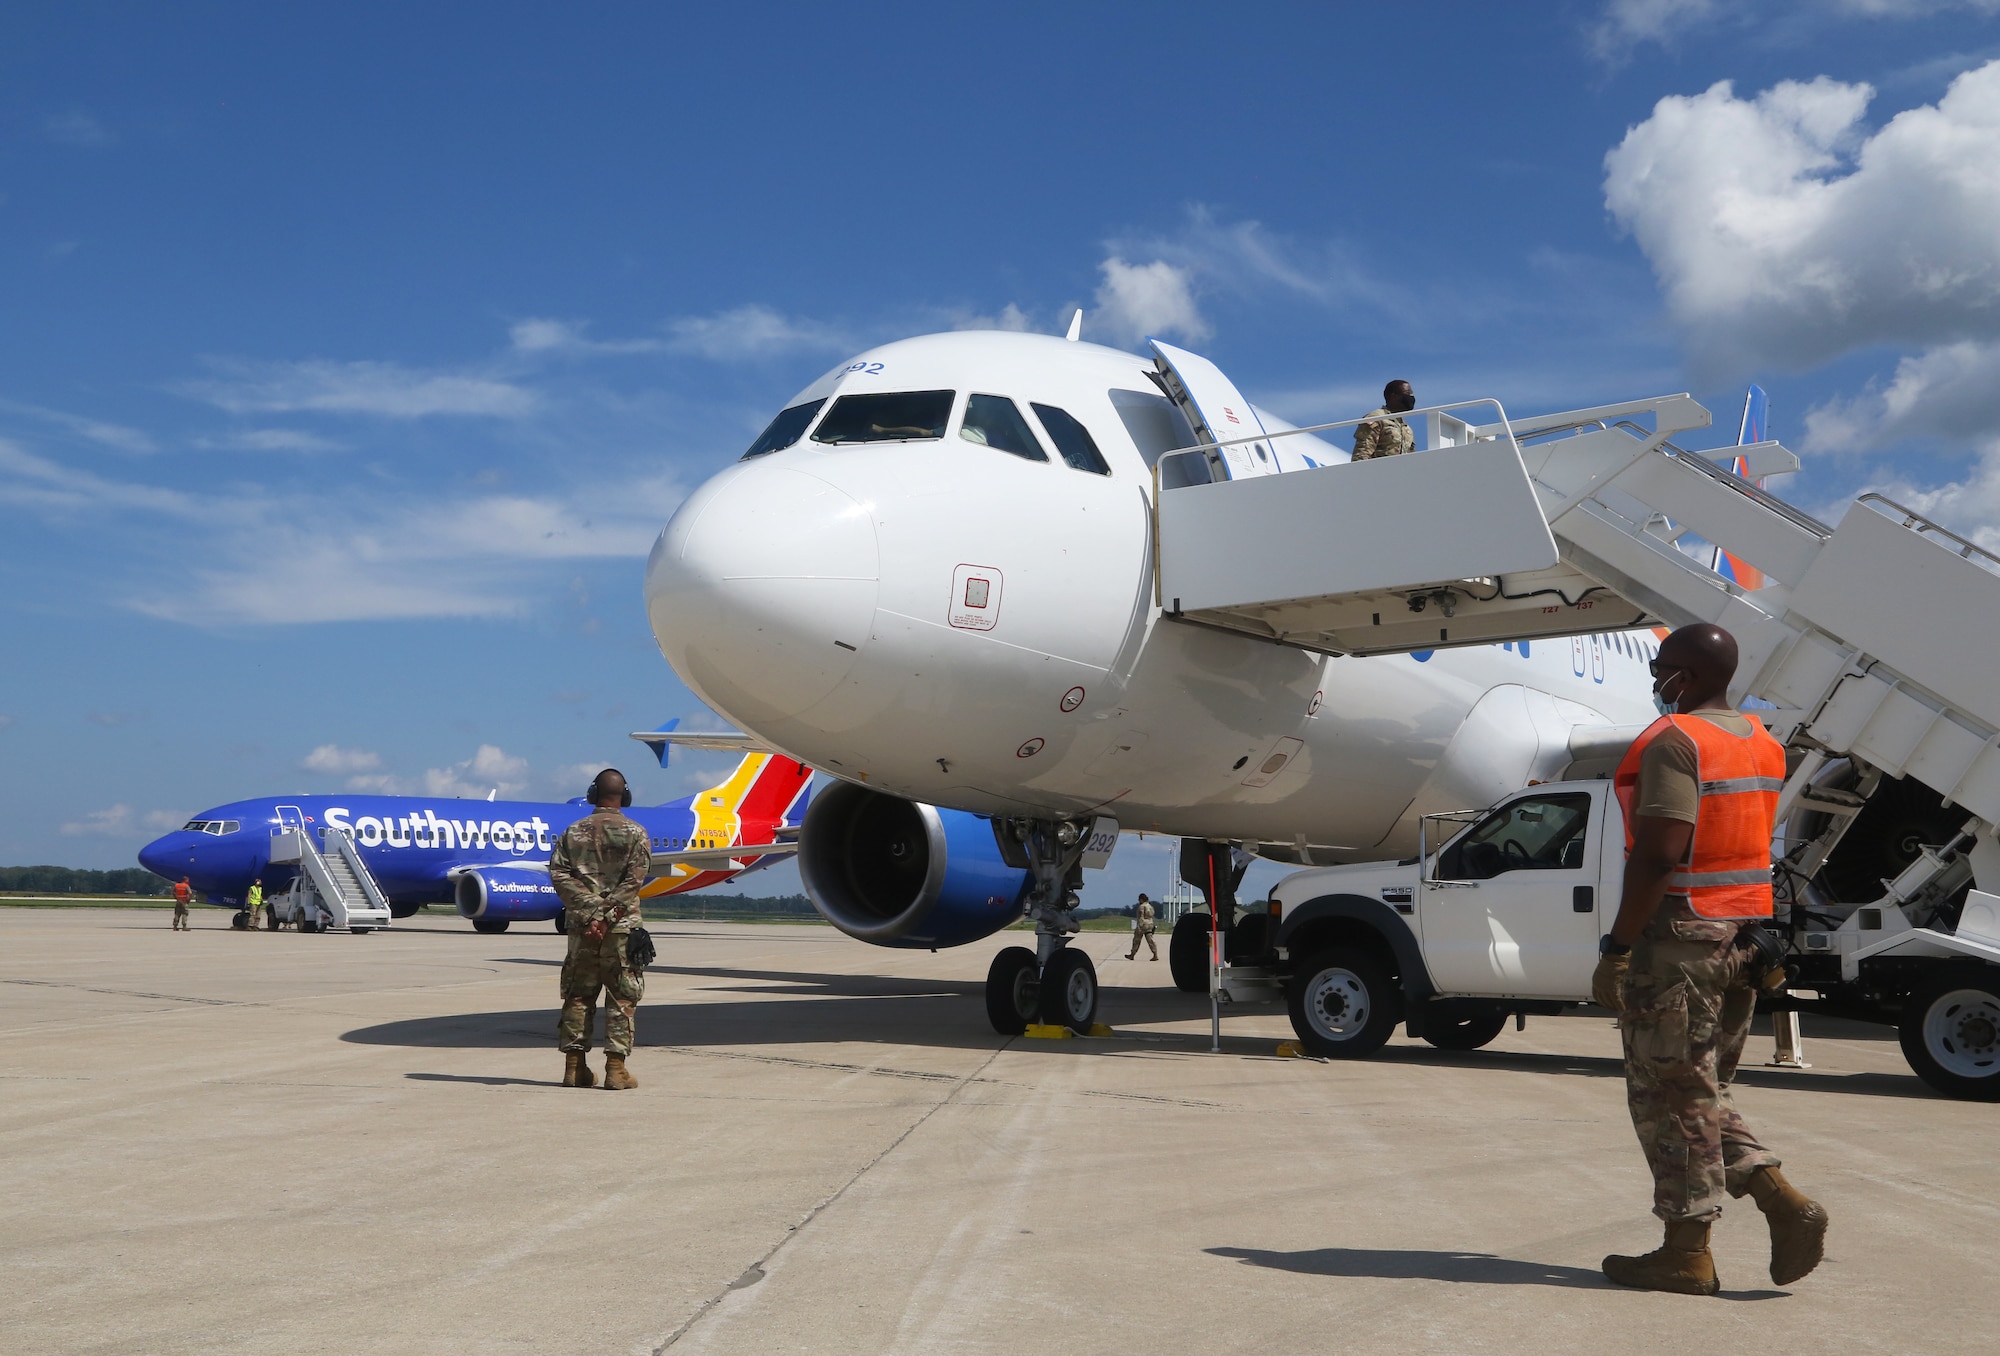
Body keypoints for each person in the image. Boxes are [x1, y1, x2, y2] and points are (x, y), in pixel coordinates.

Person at [1591, 623, 1828, 1295]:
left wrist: (1617, 948)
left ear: (1687, 677)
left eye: (1661, 668)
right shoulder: (1764, 743)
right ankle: (1781, 1200)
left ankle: (1686, 1251)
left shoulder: (1677, 743)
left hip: (1680, 945)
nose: (1656, 679)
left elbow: (1661, 854)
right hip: (1743, 942)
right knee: (1702, 1092)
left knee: (1671, 1098)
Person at [550, 768, 653, 1090]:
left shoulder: (573, 832)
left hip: (582, 929)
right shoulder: (636, 833)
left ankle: (574, 1067)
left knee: (578, 996)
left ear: (593, 794)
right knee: (622, 998)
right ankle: (615, 1069)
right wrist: (606, 916)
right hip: (620, 930)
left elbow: (559, 874)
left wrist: (591, 913)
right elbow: (634, 881)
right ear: (625, 795)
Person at [1351, 380, 1416, 461]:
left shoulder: (1406, 427)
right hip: (1379, 471)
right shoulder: (1376, 418)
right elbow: (1362, 453)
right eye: (1407, 393)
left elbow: (1411, 457)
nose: (1410, 397)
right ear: (1393, 396)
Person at [1126, 893, 1158, 961]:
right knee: (1151, 941)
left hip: (1143, 925)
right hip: (1150, 924)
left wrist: (1139, 926)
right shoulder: (1150, 906)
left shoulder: (1141, 907)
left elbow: (1141, 917)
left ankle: (1132, 955)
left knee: (1136, 940)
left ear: (1141, 899)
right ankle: (1155, 954)